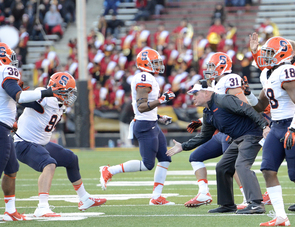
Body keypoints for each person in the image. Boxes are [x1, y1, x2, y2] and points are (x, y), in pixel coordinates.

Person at [246, 35, 295, 226]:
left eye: (270, 53)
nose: (266, 57)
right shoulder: (268, 73)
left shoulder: (287, 70)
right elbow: (261, 106)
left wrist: (293, 129)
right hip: (277, 126)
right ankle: (281, 217)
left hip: (293, 124)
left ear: (282, 54)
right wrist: (248, 94)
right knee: (268, 170)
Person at [166, 81, 269, 214]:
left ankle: (256, 204)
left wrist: (264, 126)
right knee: (222, 167)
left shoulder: (223, 100)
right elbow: (204, 136)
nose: (193, 97)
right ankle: (227, 204)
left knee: (241, 165)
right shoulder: (208, 112)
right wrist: (183, 146)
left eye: (196, 94)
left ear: (207, 92)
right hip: (238, 138)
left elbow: (248, 109)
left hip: (252, 134)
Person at [13, 72, 107, 217]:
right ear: (56, 89)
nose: (70, 96)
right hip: (24, 144)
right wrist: (35, 93)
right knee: (49, 164)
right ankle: (42, 207)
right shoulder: (43, 97)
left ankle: (84, 198)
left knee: (71, 158)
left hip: (40, 143)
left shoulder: (59, 103)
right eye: (67, 92)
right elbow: (21, 99)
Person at [100, 49, 176, 205]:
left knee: (165, 158)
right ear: (145, 64)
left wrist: (159, 117)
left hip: (150, 122)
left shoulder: (148, 78)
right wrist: (162, 99)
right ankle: (109, 170)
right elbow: (142, 106)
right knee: (148, 164)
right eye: (155, 63)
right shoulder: (144, 78)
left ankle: (156, 197)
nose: (158, 65)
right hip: (144, 126)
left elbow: (144, 107)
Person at [181, 52, 252, 209]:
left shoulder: (229, 79)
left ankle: (248, 198)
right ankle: (204, 193)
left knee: (231, 165)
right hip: (221, 132)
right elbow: (217, 110)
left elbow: (242, 105)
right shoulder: (216, 83)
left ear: (222, 66)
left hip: (232, 131)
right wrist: (201, 121)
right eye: (209, 66)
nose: (209, 69)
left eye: (212, 66)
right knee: (195, 157)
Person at [0, 42, 61, 221]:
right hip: (1, 126)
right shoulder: (6, 70)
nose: (13, 63)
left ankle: (10, 211)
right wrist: (47, 92)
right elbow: (19, 97)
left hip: (5, 126)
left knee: (12, 169)